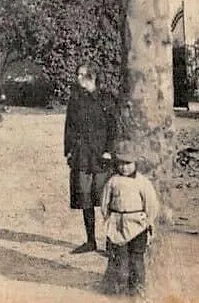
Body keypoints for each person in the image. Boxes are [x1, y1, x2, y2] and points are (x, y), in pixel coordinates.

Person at [64, 61, 116, 253]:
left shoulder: (106, 99)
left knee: (105, 200)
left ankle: (112, 243)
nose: (77, 78)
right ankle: (90, 241)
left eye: (81, 75)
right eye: (77, 74)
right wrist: (69, 150)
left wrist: (109, 150)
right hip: (81, 156)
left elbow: (113, 126)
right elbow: (69, 126)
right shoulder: (75, 99)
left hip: (101, 156)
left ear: (92, 77)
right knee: (85, 198)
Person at [101, 140, 159, 296]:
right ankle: (118, 288)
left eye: (128, 163)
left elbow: (151, 205)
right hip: (117, 225)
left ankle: (137, 289)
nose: (124, 167)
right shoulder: (112, 181)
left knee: (137, 260)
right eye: (120, 163)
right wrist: (109, 220)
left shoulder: (142, 182)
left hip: (137, 226)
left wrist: (147, 222)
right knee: (119, 258)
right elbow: (104, 203)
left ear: (135, 162)